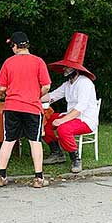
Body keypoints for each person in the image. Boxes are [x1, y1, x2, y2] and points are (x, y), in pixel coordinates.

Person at [0, 32, 51, 188]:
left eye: (11, 45)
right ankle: (39, 178)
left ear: (14, 46)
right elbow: (46, 85)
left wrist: (0, 95)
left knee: (8, 140)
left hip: (12, 107)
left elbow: (2, 88)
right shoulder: (38, 62)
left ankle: (1, 176)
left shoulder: (8, 63)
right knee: (35, 141)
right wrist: (35, 95)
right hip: (32, 107)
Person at [41, 32, 98, 173]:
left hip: (85, 120)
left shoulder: (85, 83)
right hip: (71, 116)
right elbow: (52, 96)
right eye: (65, 66)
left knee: (63, 129)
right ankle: (57, 153)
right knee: (44, 122)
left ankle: (75, 159)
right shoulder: (68, 84)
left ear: (76, 69)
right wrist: (31, 98)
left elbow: (80, 108)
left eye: (67, 67)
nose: (64, 69)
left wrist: (62, 121)